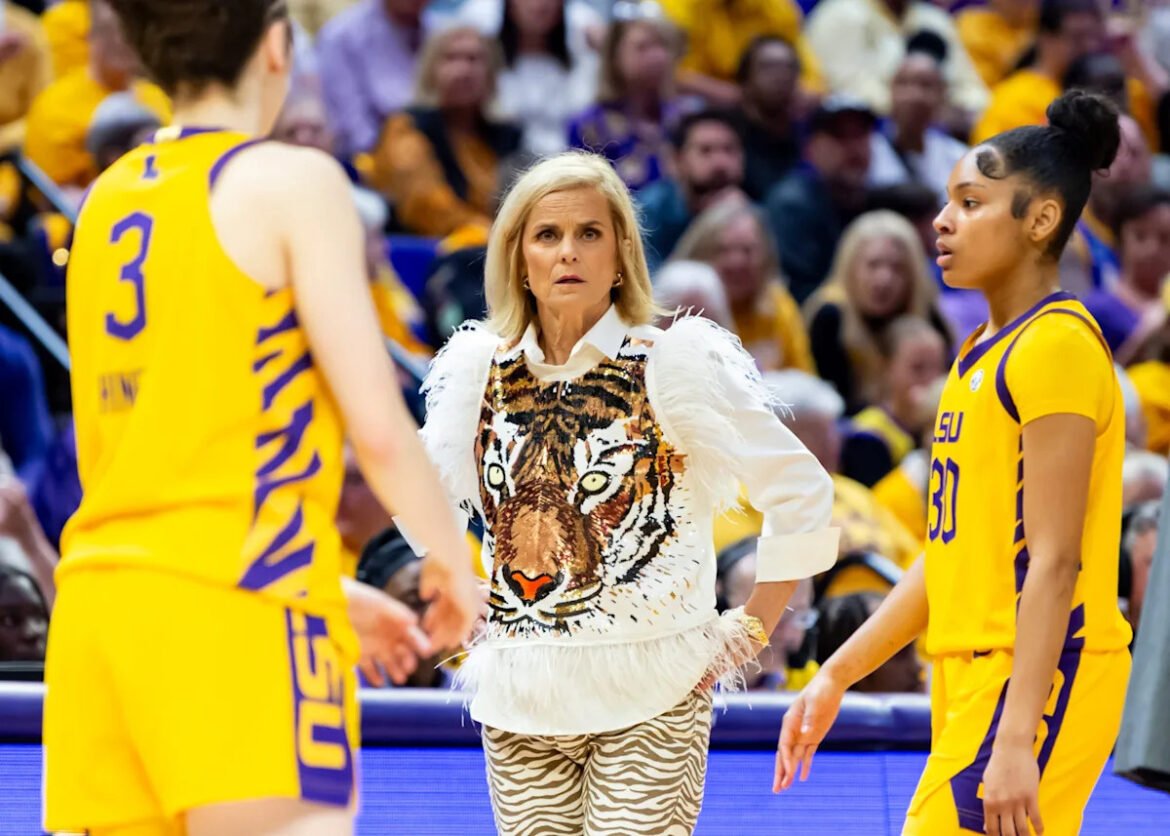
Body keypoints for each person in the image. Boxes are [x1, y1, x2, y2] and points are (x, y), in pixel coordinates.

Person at [42, 2, 480, 834]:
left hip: (99, 617)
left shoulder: (103, 201)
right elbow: (379, 429)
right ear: (277, 45)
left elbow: (151, 468)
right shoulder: (293, 182)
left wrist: (332, 591)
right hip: (244, 613)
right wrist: (453, 563)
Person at [419, 151, 838, 835]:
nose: (567, 252)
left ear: (620, 256)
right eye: (547, 234)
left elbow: (801, 489)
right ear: (518, 257)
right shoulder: (477, 373)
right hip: (520, 696)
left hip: (654, 692)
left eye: (589, 233)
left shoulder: (672, 364)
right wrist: (457, 591)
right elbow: (415, 499)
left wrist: (754, 626)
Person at [777, 91, 1134, 836]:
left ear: (1040, 220)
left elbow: (1056, 561)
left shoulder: (1057, 347)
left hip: (1038, 674)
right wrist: (838, 672)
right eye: (947, 202)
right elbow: (949, 554)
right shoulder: (977, 355)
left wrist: (1017, 737)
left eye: (970, 203)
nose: (942, 221)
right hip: (973, 675)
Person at [367, 25, 522, 239]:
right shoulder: (406, 127)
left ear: (491, 72)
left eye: (474, 59)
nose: (463, 70)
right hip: (434, 248)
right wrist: (494, 234)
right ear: (430, 70)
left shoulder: (507, 134)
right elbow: (426, 207)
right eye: (451, 58)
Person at [669, 199, 813, 373]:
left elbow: (805, 379)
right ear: (699, 254)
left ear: (765, 256)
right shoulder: (680, 308)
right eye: (723, 250)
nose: (736, 262)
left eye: (747, 250)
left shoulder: (778, 306)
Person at [567, 6, 686, 193]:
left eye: (662, 45)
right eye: (642, 47)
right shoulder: (587, 127)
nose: (657, 56)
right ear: (615, 57)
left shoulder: (684, 119)